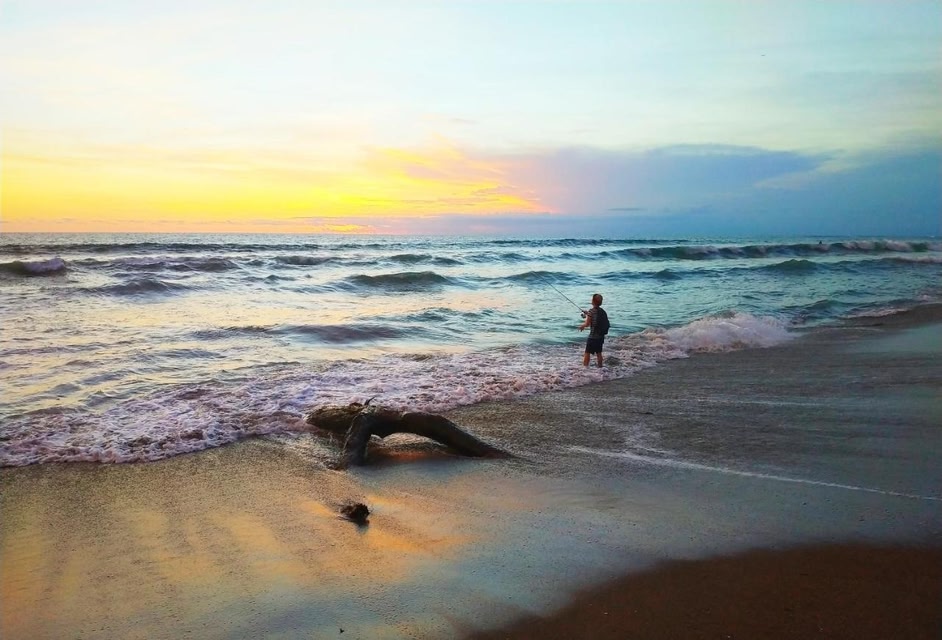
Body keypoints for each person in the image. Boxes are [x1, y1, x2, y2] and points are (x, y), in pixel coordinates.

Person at [578, 293, 605, 367]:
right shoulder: (602, 311)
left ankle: (585, 368)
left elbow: (587, 324)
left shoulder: (591, 311)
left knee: (587, 353)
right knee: (599, 353)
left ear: (592, 301)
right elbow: (595, 317)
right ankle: (600, 367)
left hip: (593, 337)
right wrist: (588, 313)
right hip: (600, 336)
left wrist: (582, 326)